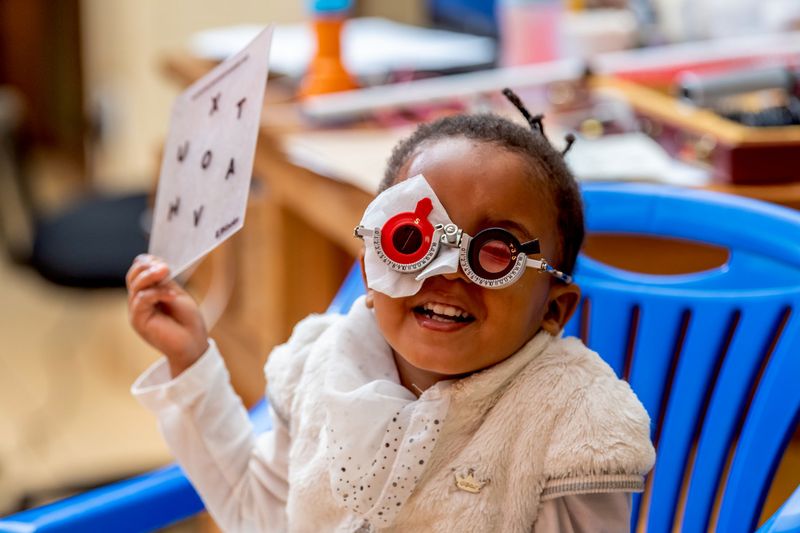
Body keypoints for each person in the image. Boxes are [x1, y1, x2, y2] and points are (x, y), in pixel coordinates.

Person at [127, 89, 655, 532]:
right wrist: (190, 359)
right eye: (413, 240)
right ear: (370, 271)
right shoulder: (320, 367)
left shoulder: (574, 425)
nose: (446, 273)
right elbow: (260, 513)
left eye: (494, 252)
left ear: (553, 309)